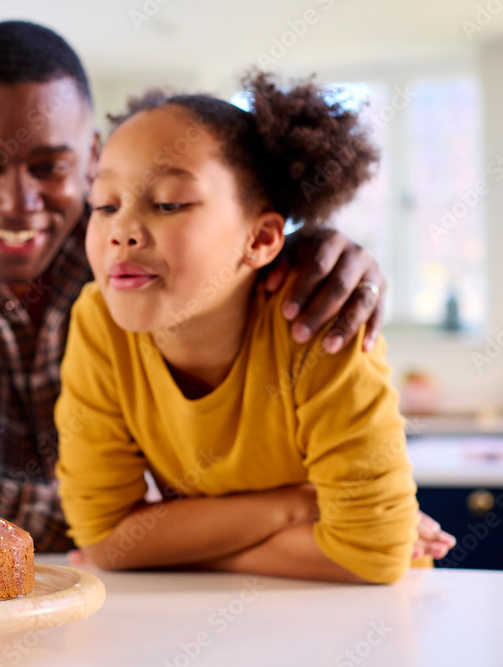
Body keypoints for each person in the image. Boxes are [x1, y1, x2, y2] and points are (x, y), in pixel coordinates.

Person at [0, 21, 398, 553]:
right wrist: (143, 530)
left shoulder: (118, 231)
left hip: (144, 581)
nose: (17, 202)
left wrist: (150, 534)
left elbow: (233, 246)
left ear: (93, 154)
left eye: (49, 167)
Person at [55, 70, 455, 582]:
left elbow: (372, 554)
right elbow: (106, 536)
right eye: (104, 205)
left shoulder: (319, 321)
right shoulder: (98, 321)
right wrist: (295, 506)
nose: (122, 231)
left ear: (262, 239)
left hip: (358, 619)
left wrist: (171, 548)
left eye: (170, 203)